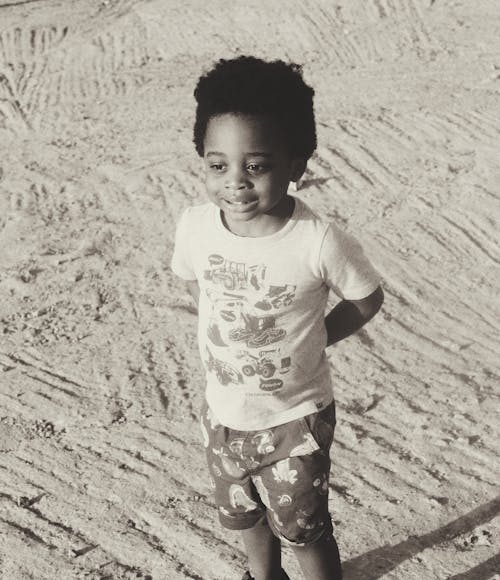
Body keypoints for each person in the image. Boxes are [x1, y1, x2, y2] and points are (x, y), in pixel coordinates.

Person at [171, 56, 384, 580]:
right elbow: (197, 278)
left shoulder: (318, 240)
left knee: (304, 528)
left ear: (296, 166)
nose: (235, 183)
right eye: (217, 165)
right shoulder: (197, 226)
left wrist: (314, 340)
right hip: (223, 414)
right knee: (245, 514)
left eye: (257, 165)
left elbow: (366, 299)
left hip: (295, 421)